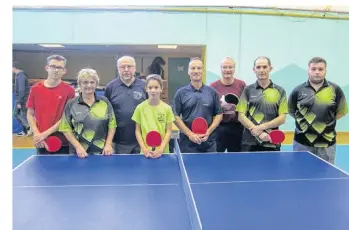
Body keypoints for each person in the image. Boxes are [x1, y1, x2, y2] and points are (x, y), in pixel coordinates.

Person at [288, 57, 348, 164]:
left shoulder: (335, 89)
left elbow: (341, 112)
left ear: (325, 71)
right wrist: (306, 123)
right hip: (302, 142)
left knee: (326, 176)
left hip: (327, 143)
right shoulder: (298, 90)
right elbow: (292, 110)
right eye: (314, 69)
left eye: (320, 69)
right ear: (308, 71)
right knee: (301, 174)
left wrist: (325, 122)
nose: (317, 72)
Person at [59, 69, 117, 158]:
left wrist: (108, 144)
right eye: (85, 82)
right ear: (80, 84)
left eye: (92, 82)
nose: (89, 85)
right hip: (78, 153)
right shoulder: (71, 104)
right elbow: (65, 128)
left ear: (96, 84)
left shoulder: (105, 102)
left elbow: (112, 125)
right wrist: (78, 147)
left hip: (103, 152)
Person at [236, 56, 288, 152]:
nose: (261, 70)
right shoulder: (247, 90)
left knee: (272, 167)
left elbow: (282, 118)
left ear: (270, 68)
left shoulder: (280, 91)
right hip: (249, 142)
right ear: (254, 69)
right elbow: (241, 116)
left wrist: (261, 128)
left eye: (265, 67)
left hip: (271, 141)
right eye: (258, 67)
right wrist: (259, 133)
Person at [26, 55, 75, 154]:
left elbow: (66, 118)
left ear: (64, 71)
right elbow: (30, 114)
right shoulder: (35, 89)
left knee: (62, 170)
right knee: (41, 169)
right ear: (47, 68)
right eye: (53, 66)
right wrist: (37, 134)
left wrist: (45, 134)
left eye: (59, 67)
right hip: (41, 141)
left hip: (62, 141)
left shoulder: (69, 91)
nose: (56, 70)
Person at [173, 58, 223, 153]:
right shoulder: (180, 93)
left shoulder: (212, 92)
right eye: (193, 68)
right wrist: (190, 134)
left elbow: (219, 114)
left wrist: (208, 131)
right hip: (187, 144)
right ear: (188, 71)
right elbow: (175, 116)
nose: (196, 71)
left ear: (203, 71)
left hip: (209, 144)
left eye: (199, 68)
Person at [104, 56, 147, 154]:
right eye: (122, 67)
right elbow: (107, 114)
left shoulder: (144, 86)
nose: (126, 70)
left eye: (129, 66)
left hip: (142, 140)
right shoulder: (110, 87)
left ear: (135, 68)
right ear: (118, 69)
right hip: (118, 141)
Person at [132, 74, 175, 158]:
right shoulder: (140, 108)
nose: (153, 90)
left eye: (156, 87)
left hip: (163, 153)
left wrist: (161, 148)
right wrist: (144, 149)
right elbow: (137, 131)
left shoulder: (167, 109)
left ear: (161, 89)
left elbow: (169, 131)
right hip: (146, 153)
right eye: (150, 87)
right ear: (146, 89)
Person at [210, 57, 246, 152]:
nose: (227, 70)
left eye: (230, 67)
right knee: (216, 159)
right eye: (224, 67)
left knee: (236, 160)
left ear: (234, 68)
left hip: (237, 128)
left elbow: (245, 107)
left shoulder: (241, 85)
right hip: (219, 128)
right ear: (221, 68)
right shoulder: (213, 86)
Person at [13, 61, 31, 136]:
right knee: (20, 114)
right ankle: (25, 131)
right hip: (23, 98)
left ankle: (29, 127)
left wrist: (19, 101)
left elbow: (21, 89)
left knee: (18, 114)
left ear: (14, 68)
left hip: (23, 99)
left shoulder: (21, 76)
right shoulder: (19, 75)